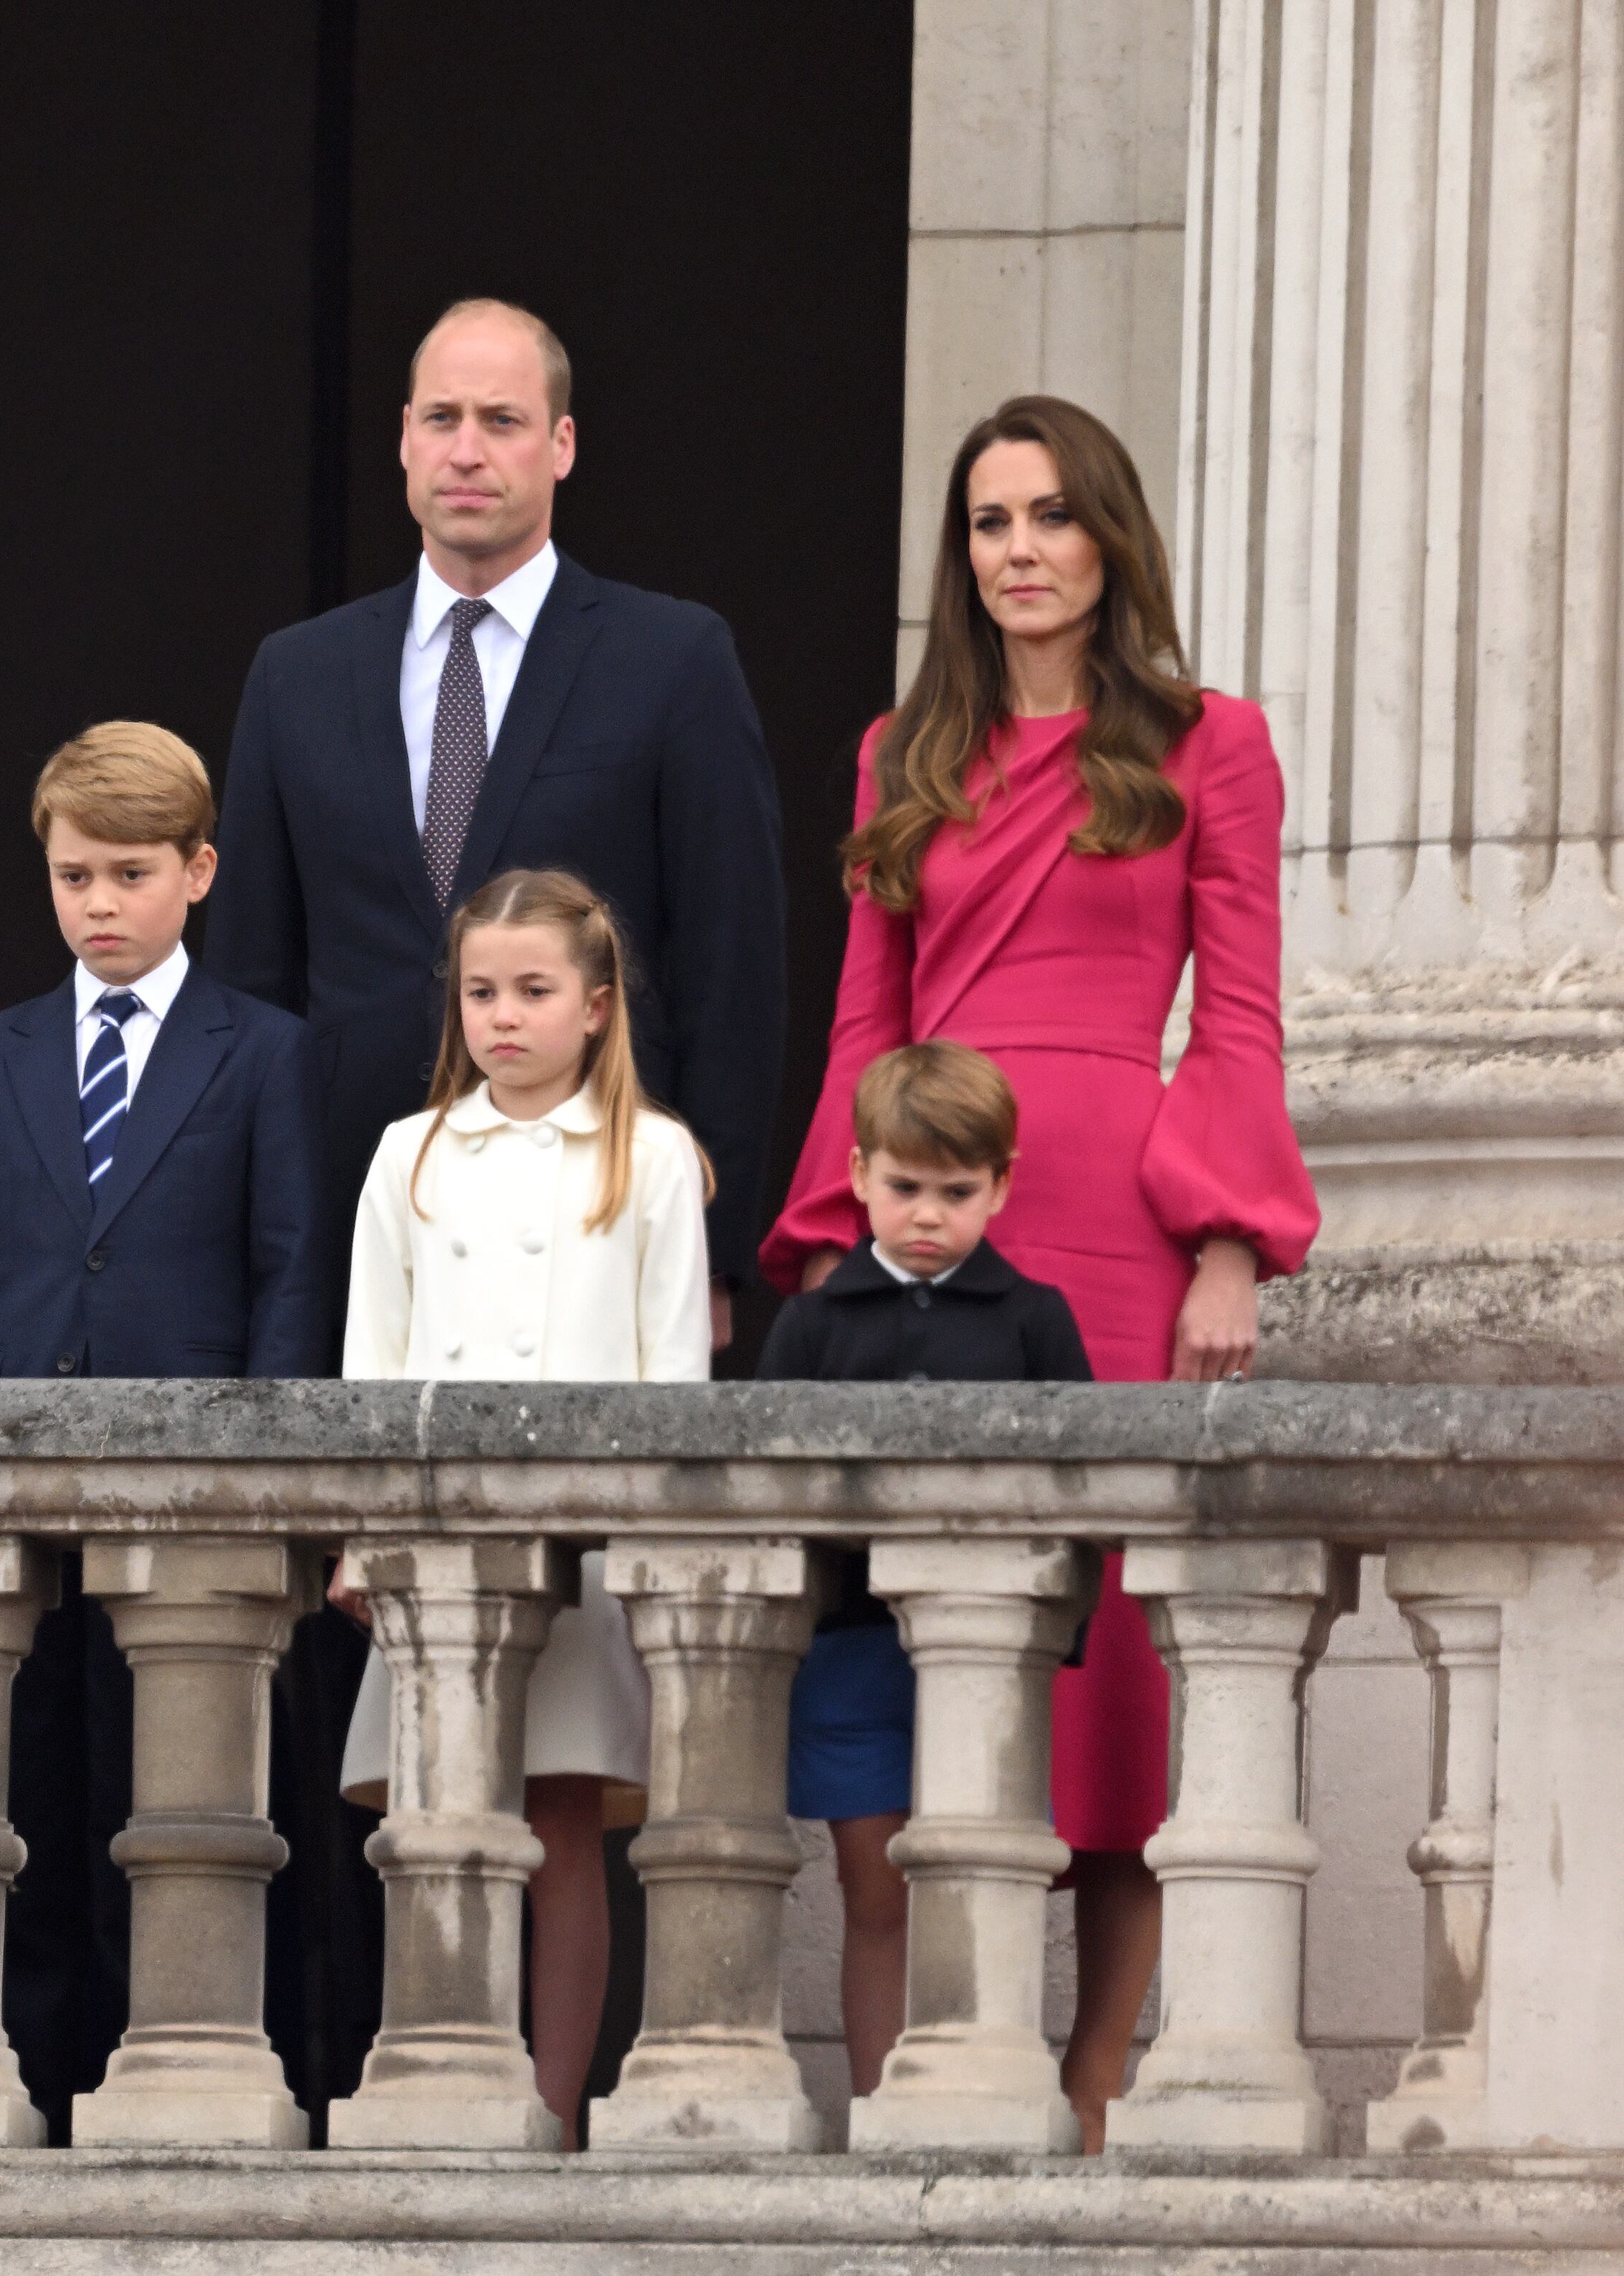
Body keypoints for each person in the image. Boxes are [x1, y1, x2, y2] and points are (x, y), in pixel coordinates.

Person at [759, 394, 1318, 2150]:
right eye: (992, 521)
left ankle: (1088, 2091)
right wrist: (840, 1242)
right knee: (922, 1650)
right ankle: (939, 2072)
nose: (1020, 550)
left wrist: (1228, 1239)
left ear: (1109, 540)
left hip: (1116, 1227)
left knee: (1111, 1685)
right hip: (931, 1208)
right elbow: (868, 1015)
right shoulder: (892, 753)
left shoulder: (1209, 743)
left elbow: (1235, 1013)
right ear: (964, 552)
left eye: (1053, 517)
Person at [0, 720, 328, 2123]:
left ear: (199, 871)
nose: (97, 904)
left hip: (190, 1503)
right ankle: (32, 2081)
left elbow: (287, 1270)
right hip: (9, 1498)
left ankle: (175, 2076)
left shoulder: (264, 1053)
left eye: (130, 873)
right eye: (73, 875)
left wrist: (269, 1492)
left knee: (181, 1799)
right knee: (15, 1797)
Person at [208, 297, 785, 1352]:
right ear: (402, 437)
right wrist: (259, 1243)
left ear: (563, 444)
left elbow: (734, 968)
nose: (466, 450)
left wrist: (714, 1246)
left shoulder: (672, 660)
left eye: (503, 420)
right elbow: (252, 978)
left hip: (603, 1221)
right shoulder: (297, 673)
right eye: (441, 418)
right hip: (355, 1222)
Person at [331, 866, 711, 2142]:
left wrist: (661, 1547)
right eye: (482, 989)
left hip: (590, 1555)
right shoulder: (412, 1148)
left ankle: (550, 2104)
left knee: (562, 1823)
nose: (504, 1014)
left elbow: (674, 1374)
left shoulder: (652, 1155)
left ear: (598, 1004)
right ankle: (445, 2084)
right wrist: (358, 1538)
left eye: (535, 989)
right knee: (440, 1821)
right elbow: (371, 1362)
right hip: (436, 1548)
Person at [755, 1040, 1092, 2102]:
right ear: (857, 1176)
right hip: (851, 1646)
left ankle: (982, 2092)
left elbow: (1081, 1492)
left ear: (1001, 1183)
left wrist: (1058, 1634)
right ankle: (877, 2103)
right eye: (905, 1186)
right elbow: (765, 1489)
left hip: (995, 1650)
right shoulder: (812, 1322)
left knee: (981, 1876)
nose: (929, 1213)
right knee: (873, 1885)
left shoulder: (1036, 1317)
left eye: (958, 1190)